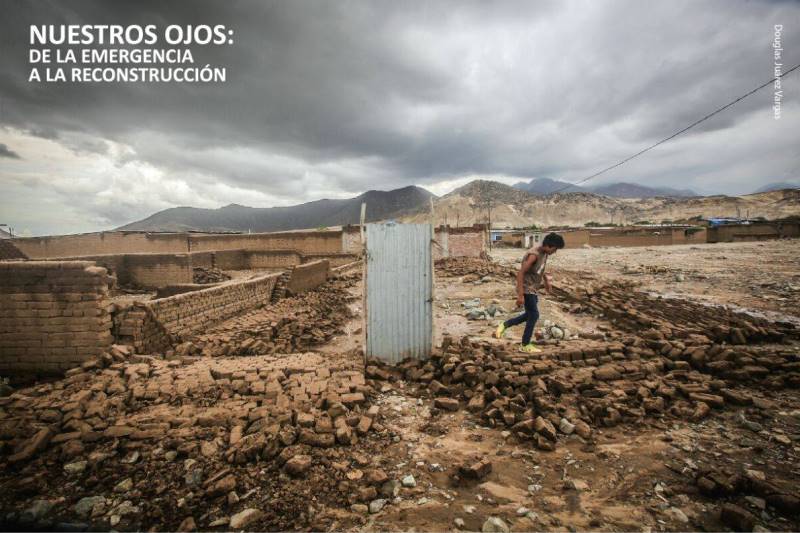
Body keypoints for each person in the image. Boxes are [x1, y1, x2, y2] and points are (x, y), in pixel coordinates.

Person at [494, 232, 565, 352]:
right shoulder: (534, 254)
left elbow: (540, 269)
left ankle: (504, 325)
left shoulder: (544, 253)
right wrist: (520, 295)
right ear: (549, 245)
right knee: (534, 314)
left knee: (529, 314)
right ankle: (525, 345)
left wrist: (547, 281)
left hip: (533, 287)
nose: (555, 251)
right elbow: (520, 273)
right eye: (555, 248)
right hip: (526, 287)